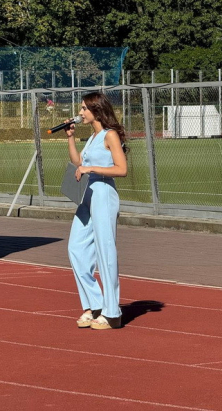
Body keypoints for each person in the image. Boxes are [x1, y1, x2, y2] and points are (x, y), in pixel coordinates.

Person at [65, 92, 128, 329]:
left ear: (96, 110)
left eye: (83, 109)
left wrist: (92, 168)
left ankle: (112, 313)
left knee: (105, 251)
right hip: (87, 195)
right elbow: (78, 163)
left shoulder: (110, 135)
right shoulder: (92, 137)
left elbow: (122, 169)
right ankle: (95, 303)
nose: (80, 113)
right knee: (76, 249)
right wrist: (71, 138)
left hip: (103, 193)